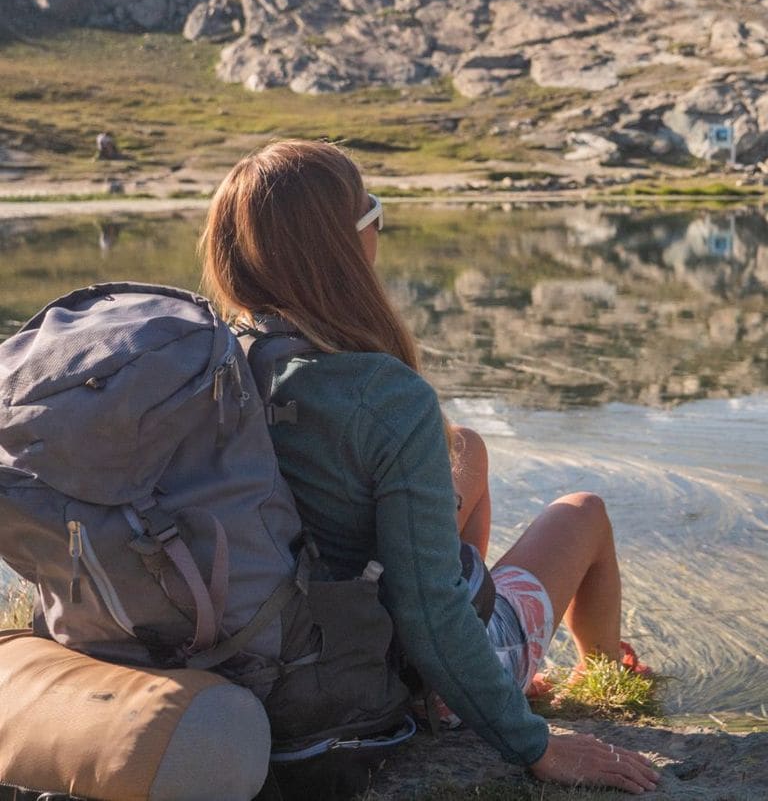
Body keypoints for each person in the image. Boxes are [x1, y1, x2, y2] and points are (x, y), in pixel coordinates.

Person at [201, 140, 660, 795]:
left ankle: (479, 596)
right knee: (584, 512)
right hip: (405, 674)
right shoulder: (383, 395)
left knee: (466, 447)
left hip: (279, 632)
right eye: (374, 216)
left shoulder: (223, 366)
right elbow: (425, 614)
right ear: (344, 247)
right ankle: (597, 666)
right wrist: (536, 744)